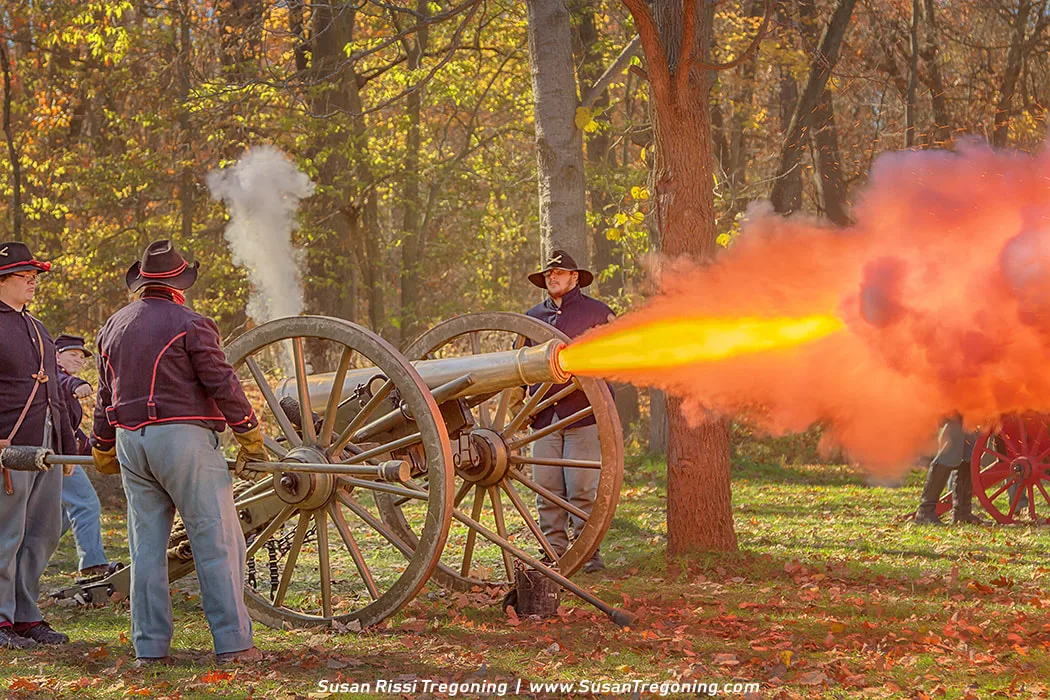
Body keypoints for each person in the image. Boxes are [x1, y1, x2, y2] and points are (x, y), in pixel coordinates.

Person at [90, 240, 268, 665]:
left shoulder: (111, 327)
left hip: (132, 443)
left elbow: (103, 395)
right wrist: (248, 431)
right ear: (178, 285)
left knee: (145, 548)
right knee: (216, 542)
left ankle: (149, 649)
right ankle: (234, 644)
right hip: (184, 441)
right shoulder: (191, 322)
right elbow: (221, 381)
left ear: (143, 284)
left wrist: (102, 444)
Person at [0, 241, 76, 648]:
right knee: (5, 534)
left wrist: (66, 446)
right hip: (8, 447)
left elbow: (57, 395)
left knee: (44, 532)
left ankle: (25, 615)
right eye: (23, 276)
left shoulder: (37, 327)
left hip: (46, 446)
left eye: (34, 276)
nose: (32, 282)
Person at [524, 249, 615, 574]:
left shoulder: (597, 313)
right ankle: (553, 552)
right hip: (544, 418)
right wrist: (524, 405)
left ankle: (587, 553)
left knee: (581, 489)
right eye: (549, 274)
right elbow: (518, 369)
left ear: (575, 277)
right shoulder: (532, 317)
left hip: (584, 415)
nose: (553, 277)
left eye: (559, 272)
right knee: (546, 489)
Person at [55, 334, 118, 578]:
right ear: (56, 355)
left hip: (63, 451)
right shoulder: (54, 376)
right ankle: (92, 564)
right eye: (73, 355)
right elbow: (62, 382)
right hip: (59, 456)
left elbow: (71, 429)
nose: (79, 360)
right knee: (86, 504)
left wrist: (96, 448)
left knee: (59, 516)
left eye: (82, 357)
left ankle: (19, 556)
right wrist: (78, 385)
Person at [913, 414, 986, 525]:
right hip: (953, 410)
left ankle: (962, 513)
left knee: (969, 455)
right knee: (949, 455)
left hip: (969, 412)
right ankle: (925, 512)